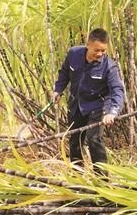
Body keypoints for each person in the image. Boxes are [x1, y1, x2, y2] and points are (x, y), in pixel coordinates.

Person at [52, 28, 125, 168]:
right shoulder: (73, 54)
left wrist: (112, 112)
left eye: (103, 51)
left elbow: (117, 90)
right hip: (76, 105)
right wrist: (58, 90)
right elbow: (65, 73)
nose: (100, 54)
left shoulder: (109, 67)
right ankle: (78, 175)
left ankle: (102, 179)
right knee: (75, 140)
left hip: (98, 107)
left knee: (94, 139)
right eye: (96, 50)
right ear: (88, 44)